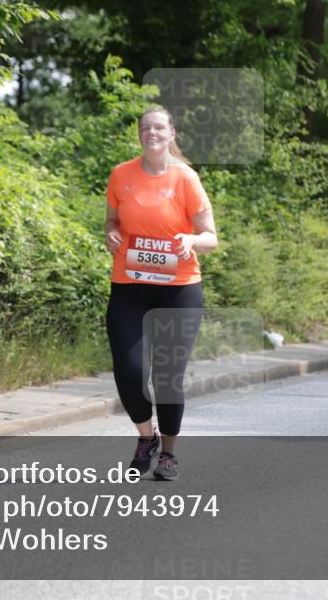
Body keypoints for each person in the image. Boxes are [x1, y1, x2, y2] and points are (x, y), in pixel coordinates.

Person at [104, 106, 218, 480]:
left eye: (158, 128)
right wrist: (111, 235)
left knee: (168, 376)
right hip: (130, 285)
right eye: (144, 128)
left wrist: (190, 239)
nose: (151, 133)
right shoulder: (122, 174)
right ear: (139, 135)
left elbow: (210, 237)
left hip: (178, 289)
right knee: (129, 369)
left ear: (172, 133)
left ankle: (168, 452)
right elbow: (111, 220)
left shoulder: (186, 178)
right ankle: (145, 437)